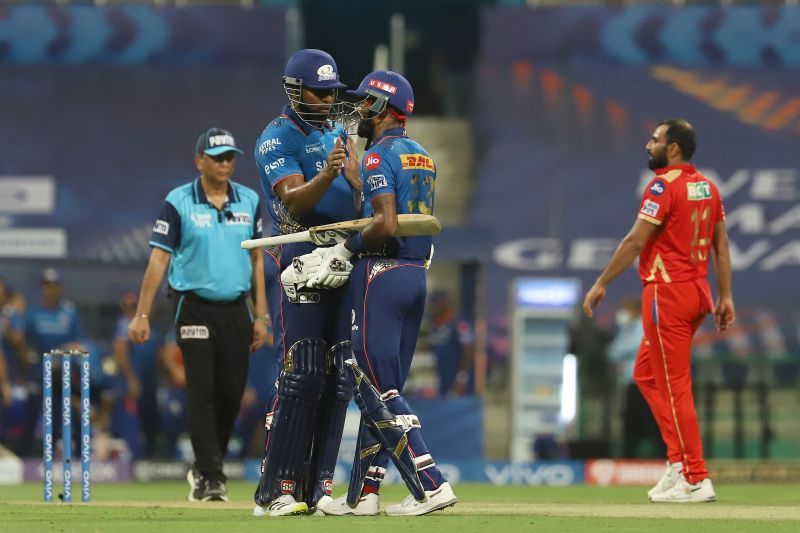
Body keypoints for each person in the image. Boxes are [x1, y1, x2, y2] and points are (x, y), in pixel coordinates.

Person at [306, 70, 457, 516]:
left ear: (381, 108)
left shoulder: (376, 157)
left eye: (364, 102)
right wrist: (358, 184)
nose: (358, 111)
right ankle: (364, 495)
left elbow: (385, 222)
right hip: (415, 274)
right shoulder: (422, 155)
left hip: (381, 275)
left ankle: (430, 485)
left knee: (374, 387)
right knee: (383, 388)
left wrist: (343, 249)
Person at [583, 119, 735, 503]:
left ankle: (696, 477)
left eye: (655, 139)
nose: (647, 144)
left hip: (667, 293)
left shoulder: (662, 185)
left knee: (674, 387)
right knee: (646, 376)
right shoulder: (708, 187)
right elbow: (720, 247)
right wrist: (725, 296)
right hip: (697, 291)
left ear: (673, 149)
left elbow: (636, 241)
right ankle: (677, 462)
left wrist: (602, 282)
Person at [127, 127, 267, 502]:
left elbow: (257, 261)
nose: (225, 163)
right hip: (193, 305)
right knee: (201, 390)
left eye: (229, 157)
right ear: (198, 161)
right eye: (217, 156)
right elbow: (159, 258)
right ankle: (213, 475)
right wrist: (142, 314)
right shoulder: (178, 201)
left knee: (232, 394)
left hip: (238, 307)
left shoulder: (250, 200)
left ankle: (205, 466)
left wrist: (263, 316)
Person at [251, 48, 361, 517]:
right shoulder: (276, 139)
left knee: (339, 378)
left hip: (344, 252)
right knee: (303, 374)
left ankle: (319, 489)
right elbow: (294, 202)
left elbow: (358, 198)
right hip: (302, 253)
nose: (327, 99)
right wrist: (329, 172)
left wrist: (356, 177)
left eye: (332, 92)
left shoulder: (335, 131)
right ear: (294, 91)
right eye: (318, 92)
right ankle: (276, 489)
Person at [607, 296, 664, 458]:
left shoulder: (644, 328)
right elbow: (612, 353)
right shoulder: (627, 330)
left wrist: (622, 354)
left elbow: (634, 347)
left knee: (653, 423)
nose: (622, 314)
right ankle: (628, 462)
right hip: (632, 385)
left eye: (626, 310)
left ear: (636, 311)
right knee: (630, 425)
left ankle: (665, 460)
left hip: (646, 384)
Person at [113, 292, 161, 458]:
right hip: (133, 381)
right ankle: (135, 460)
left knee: (150, 422)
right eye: (128, 307)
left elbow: (157, 357)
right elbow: (120, 351)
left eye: (134, 306)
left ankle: (148, 458)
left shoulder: (151, 327)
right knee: (131, 422)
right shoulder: (124, 325)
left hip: (150, 381)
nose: (130, 310)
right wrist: (131, 380)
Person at [427, 290, 476, 396]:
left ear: (444, 304)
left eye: (436, 303)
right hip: (443, 381)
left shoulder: (459, 324)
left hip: (460, 383)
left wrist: (461, 379)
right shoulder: (435, 326)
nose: (432, 307)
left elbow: (469, 351)